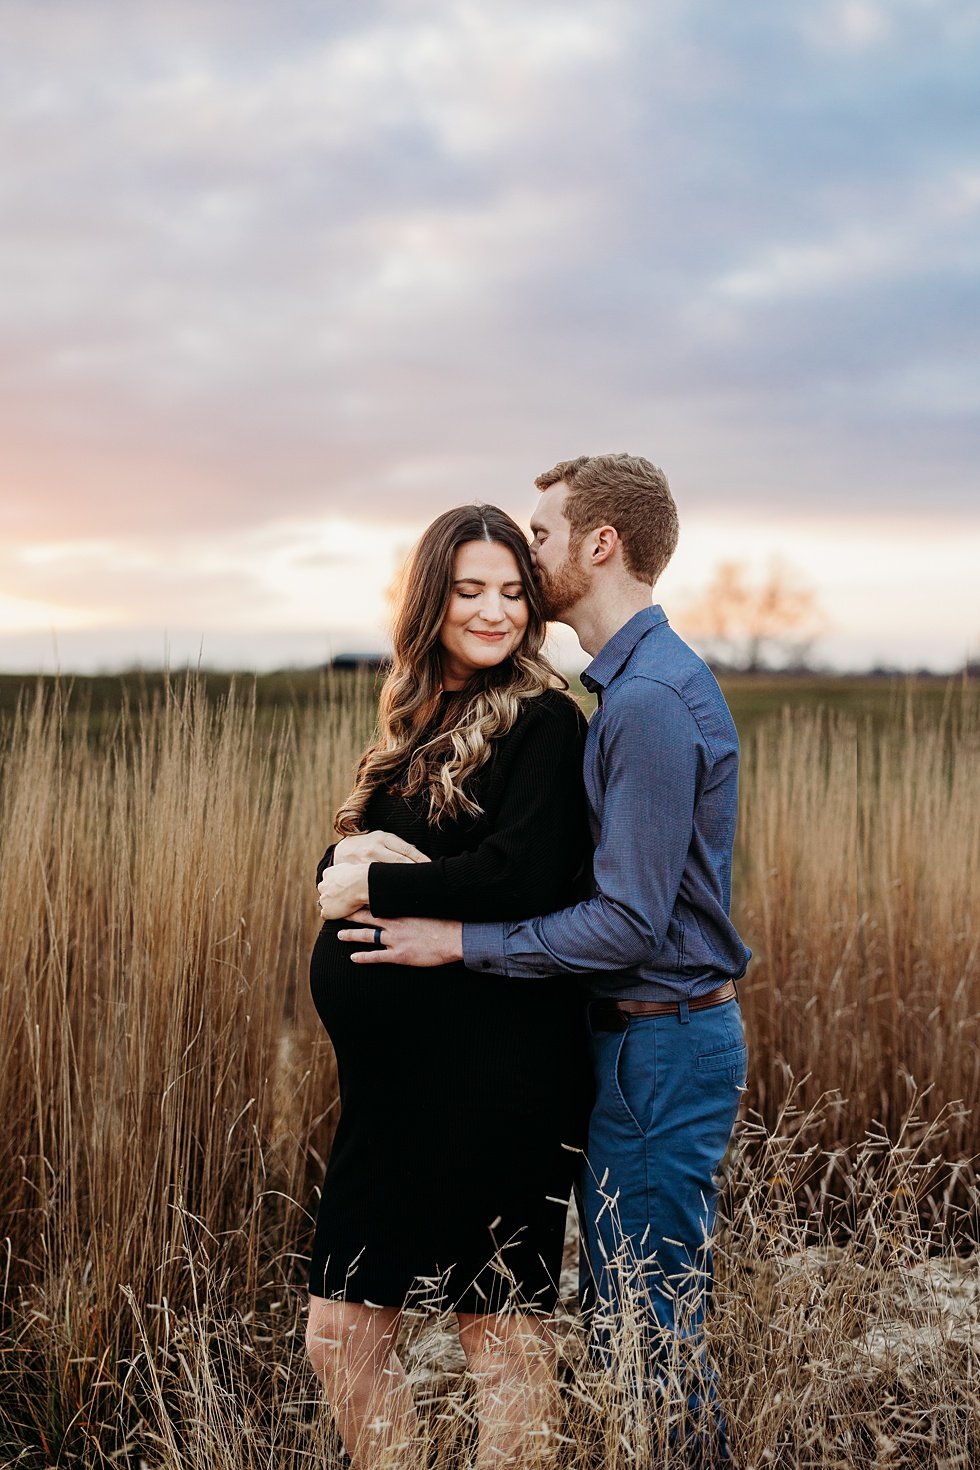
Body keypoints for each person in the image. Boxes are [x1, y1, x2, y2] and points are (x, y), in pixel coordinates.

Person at [339, 454, 751, 1466]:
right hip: (637, 1049)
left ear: (597, 545)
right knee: (628, 1333)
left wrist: (456, 940)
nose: (526, 553)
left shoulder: (647, 702)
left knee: (647, 1343)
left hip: (661, 1048)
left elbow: (624, 927)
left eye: (541, 535)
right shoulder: (628, 688)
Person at [306, 503, 594, 1469]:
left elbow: (524, 874)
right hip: (389, 1097)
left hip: (500, 1079)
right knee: (341, 1334)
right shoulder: (420, 718)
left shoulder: (547, 722)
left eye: (513, 592)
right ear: (432, 599)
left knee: (499, 1335)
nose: (494, 612)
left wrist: (374, 878)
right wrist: (341, 868)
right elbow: (352, 857)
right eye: (470, 590)